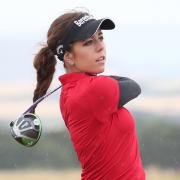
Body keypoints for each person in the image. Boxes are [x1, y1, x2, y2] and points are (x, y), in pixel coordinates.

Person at [32, 9, 146, 180]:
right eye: (88, 42)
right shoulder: (91, 90)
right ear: (69, 57)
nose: (100, 47)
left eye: (100, 37)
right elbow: (133, 87)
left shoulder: (72, 91)